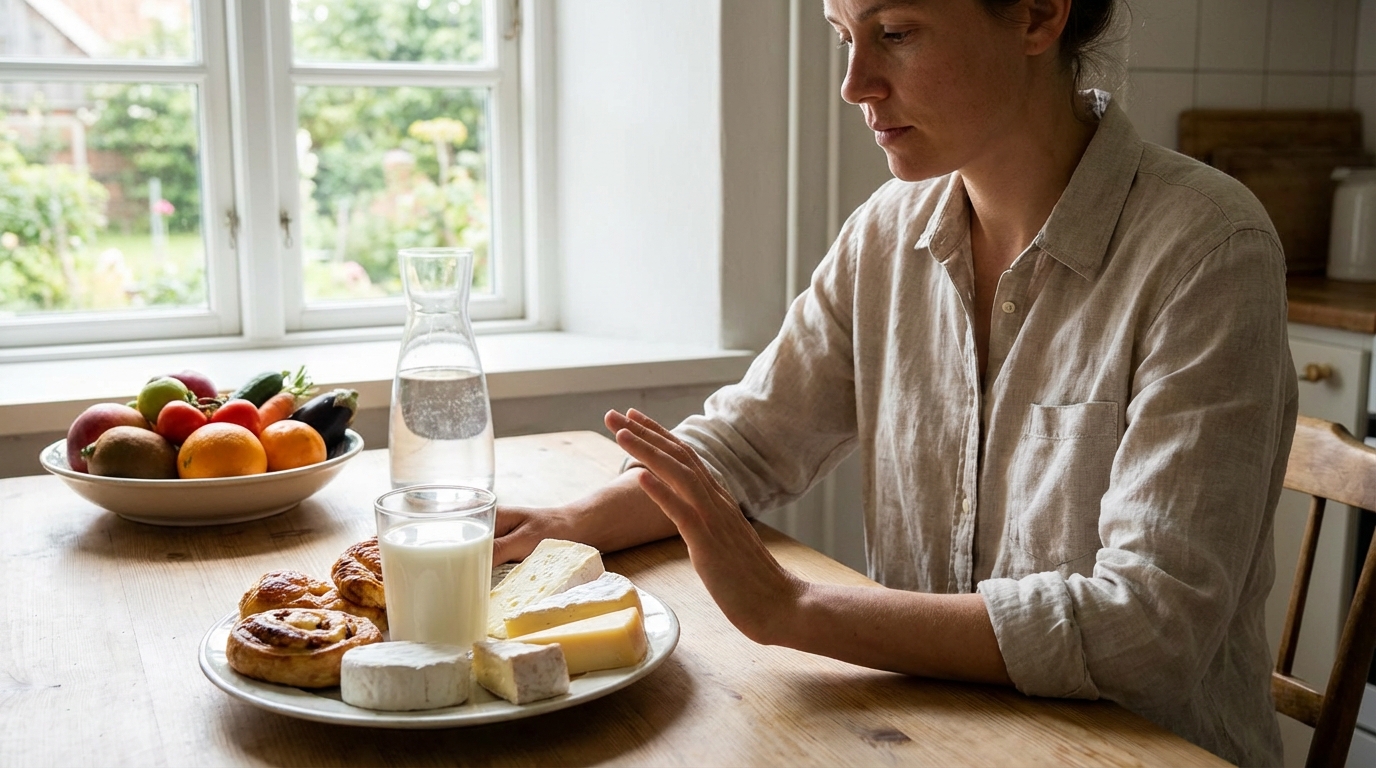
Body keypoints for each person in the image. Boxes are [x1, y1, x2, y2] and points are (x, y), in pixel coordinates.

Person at [494, 0, 1295, 764]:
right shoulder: (887, 229)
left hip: (1141, 753)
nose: (856, 84)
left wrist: (793, 608)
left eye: (898, 33)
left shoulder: (1208, 249)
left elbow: (1150, 628)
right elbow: (748, 443)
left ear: (1039, 15)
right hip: (932, 730)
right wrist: (562, 526)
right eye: (845, 35)